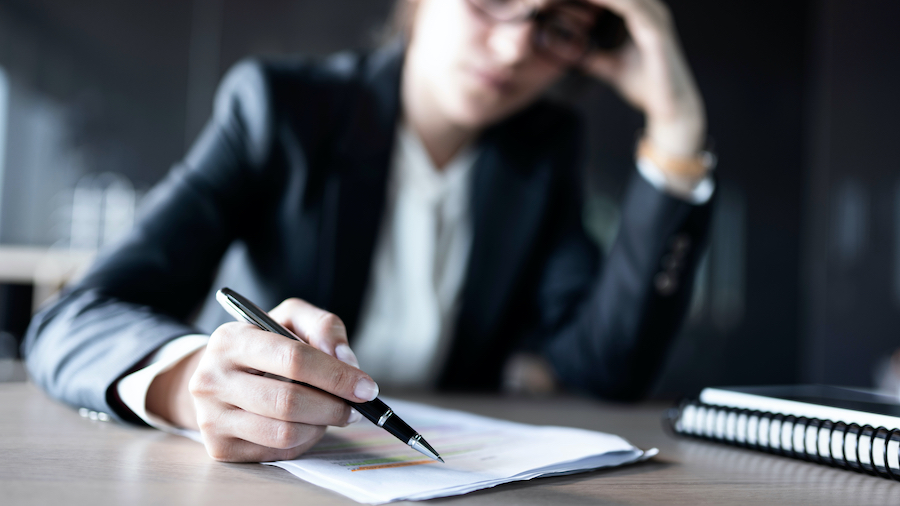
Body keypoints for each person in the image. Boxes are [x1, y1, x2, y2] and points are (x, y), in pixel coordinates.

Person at [24, 0, 713, 463]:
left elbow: (607, 368)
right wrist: (184, 380)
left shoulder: (541, 152)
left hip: (443, 482)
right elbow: (73, 320)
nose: (513, 46)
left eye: (556, 25)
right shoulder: (280, 110)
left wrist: (678, 129)